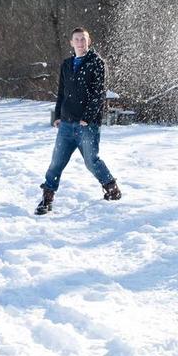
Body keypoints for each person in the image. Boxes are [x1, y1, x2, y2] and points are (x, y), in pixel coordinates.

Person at [35, 27, 121, 215]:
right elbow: (61, 92)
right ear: (71, 42)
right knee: (56, 163)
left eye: (83, 39)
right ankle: (47, 198)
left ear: (88, 42)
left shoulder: (96, 63)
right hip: (66, 124)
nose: (80, 42)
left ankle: (112, 188)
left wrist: (87, 117)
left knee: (91, 162)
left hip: (87, 125)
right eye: (77, 39)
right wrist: (58, 115)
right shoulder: (66, 64)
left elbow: (99, 93)